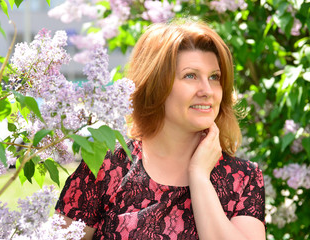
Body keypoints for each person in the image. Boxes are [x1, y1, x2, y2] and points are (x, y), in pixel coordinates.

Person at [55, 19, 266, 239]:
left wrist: (199, 176)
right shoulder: (106, 168)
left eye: (214, 77)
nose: (207, 90)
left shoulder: (244, 179)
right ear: (155, 86)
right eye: (190, 76)